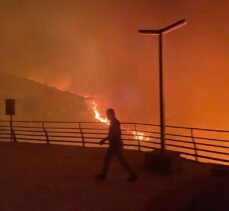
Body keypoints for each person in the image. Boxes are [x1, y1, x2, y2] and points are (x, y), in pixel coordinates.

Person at [96, 108, 138, 182]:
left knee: (117, 160)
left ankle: (133, 174)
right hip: (115, 144)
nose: (107, 116)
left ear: (112, 114)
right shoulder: (113, 122)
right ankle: (103, 174)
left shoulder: (115, 122)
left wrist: (104, 140)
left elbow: (114, 133)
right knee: (110, 159)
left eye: (108, 114)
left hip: (116, 145)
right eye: (107, 114)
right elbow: (113, 133)